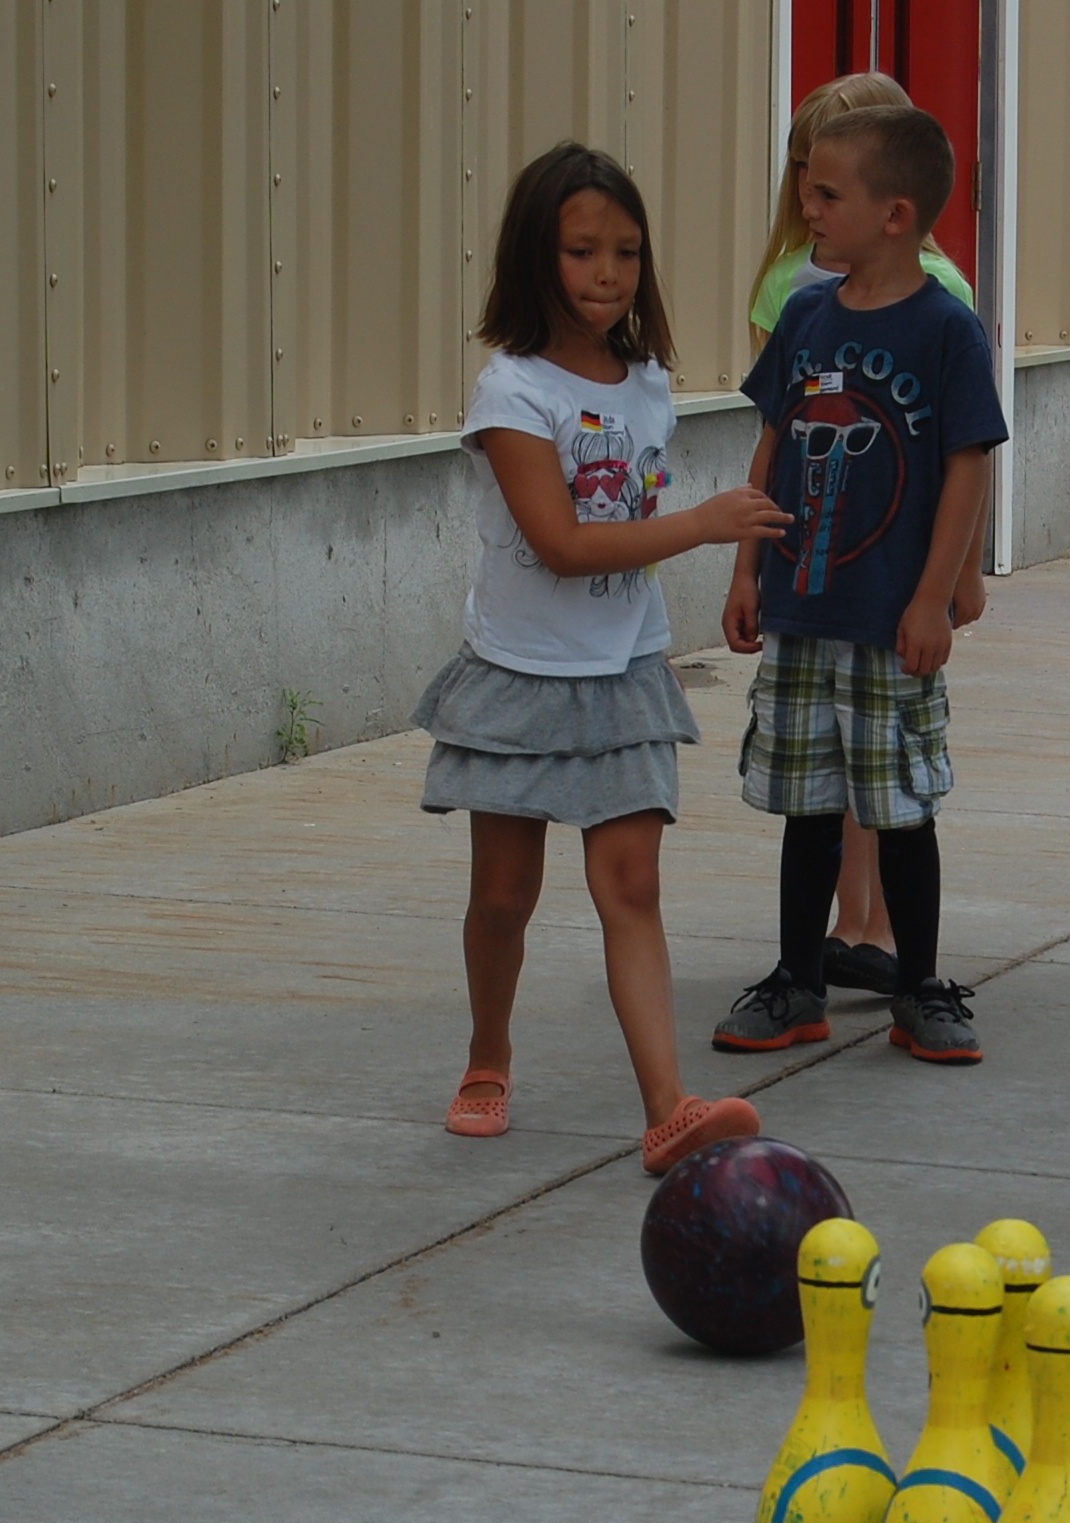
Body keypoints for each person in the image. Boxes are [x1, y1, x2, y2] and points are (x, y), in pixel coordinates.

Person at [418, 140, 783, 1172]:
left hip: (624, 673)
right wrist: (705, 525)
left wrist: (703, 536)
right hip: (520, 674)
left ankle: (666, 1105)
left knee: (631, 887)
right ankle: (487, 1054)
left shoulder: (647, 383)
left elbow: (618, 522)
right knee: (503, 895)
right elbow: (562, 545)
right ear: (537, 257)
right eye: (581, 251)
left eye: (625, 252)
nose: (606, 273)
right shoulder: (511, 394)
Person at [711, 104, 1004, 1065]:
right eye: (808, 188)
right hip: (802, 604)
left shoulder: (945, 331)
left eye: (829, 193)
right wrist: (748, 566)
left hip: (889, 616)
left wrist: (934, 595)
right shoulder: (804, 315)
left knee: (899, 803)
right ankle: (799, 978)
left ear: (895, 213)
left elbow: (967, 462)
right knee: (809, 801)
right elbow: (773, 440)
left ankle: (920, 985)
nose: (808, 205)